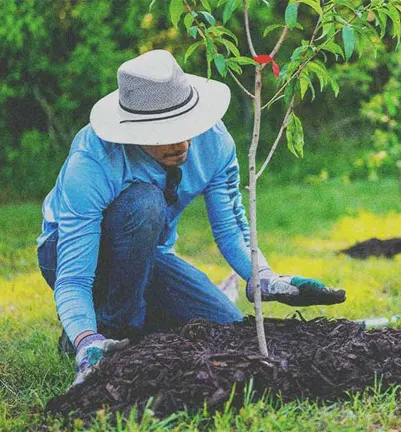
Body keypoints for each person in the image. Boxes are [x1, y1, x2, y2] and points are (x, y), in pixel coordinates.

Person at [36, 50, 345, 387]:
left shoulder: (214, 142)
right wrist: (86, 340)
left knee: (225, 326)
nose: (182, 141)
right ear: (134, 130)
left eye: (186, 126)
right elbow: (74, 277)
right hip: (70, 254)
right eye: (163, 131)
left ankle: (123, 324)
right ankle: (105, 331)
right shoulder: (94, 161)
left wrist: (264, 278)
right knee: (145, 203)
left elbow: (231, 227)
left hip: (149, 255)